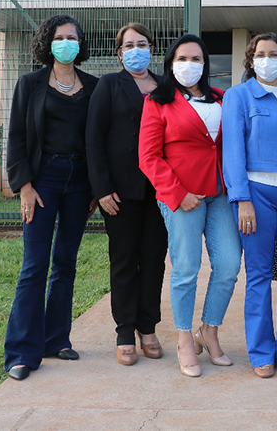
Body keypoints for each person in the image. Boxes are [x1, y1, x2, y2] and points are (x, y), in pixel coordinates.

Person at [138, 34, 242, 378]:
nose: (189, 64)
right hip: (181, 197)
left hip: (220, 194)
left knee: (228, 264)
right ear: (171, 64)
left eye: (196, 59)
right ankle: (184, 338)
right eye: (182, 59)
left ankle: (208, 331)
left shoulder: (222, 98)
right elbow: (148, 157)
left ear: (205, 64)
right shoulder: (158, 101)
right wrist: (177, 193)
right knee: (186, 268)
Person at [5, 14, 98, 381]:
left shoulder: (92, 86)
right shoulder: (30, 84)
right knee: (35, 265)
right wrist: (24, 185)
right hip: (42, 180)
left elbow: (98, 139)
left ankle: (56, 338)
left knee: (66, 261)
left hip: (79, 181)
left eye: (72, 37)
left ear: (80, 43)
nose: (66, 42)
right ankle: (21, 352)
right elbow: (16, 138)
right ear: (47, 43)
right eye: (59, 37)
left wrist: (95, 186)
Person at [223, 33, 277, 378]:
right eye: (260, 54)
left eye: (274, 54)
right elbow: (232, 153)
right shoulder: (238, 96)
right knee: (259, 274)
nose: (267, 59)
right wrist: (241, 198)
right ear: (250, 59)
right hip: (257, 193)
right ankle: (261, 352)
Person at [87, 23, 168, 366]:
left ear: (152, 49)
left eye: (143, 44)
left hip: (161, 191)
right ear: (119, 53)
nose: (137, 50)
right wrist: (102, 188)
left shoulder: (166, 86)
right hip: (120, 192)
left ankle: (147, 327)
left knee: (153, 259)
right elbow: (93, 138)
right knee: (123, 260)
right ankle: (124, 332)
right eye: (129, 45)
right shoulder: (108, 84)